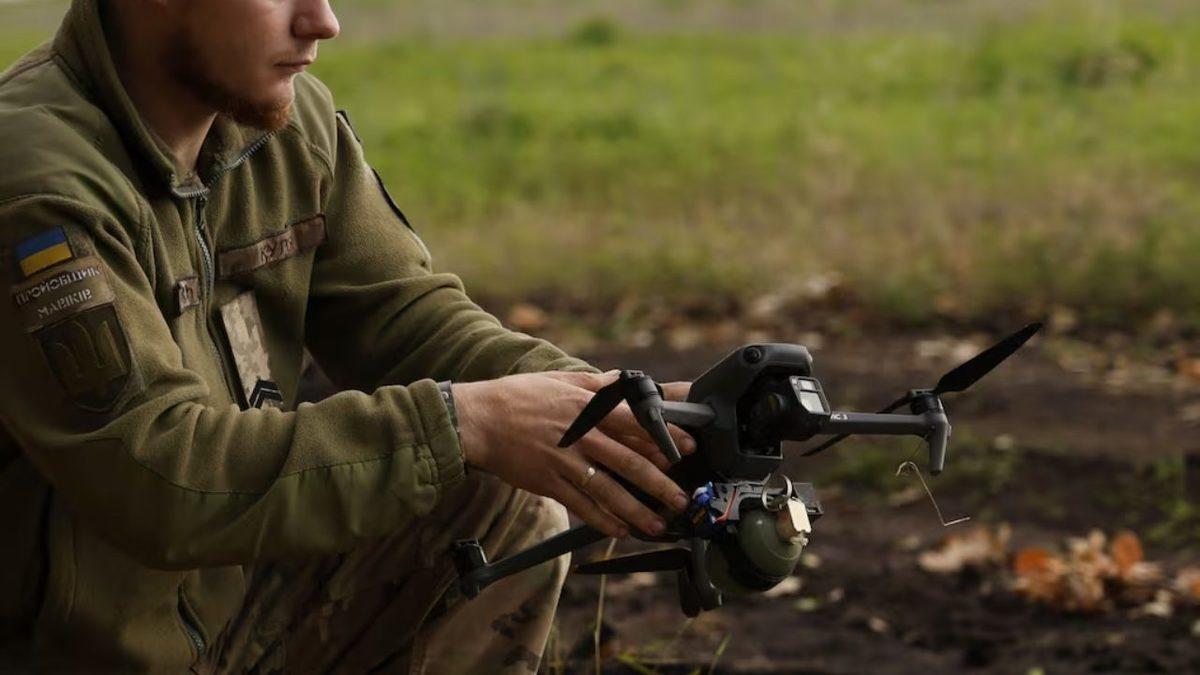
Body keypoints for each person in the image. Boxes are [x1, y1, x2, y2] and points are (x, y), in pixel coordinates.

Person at [0, 0, 696, 671]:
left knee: (505, 498)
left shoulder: (281, 125)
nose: (322, 21)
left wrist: (611, 414)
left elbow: (404, 317)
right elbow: (159, 476)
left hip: (226, 613)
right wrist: (466, 420)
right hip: (74, 651)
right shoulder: (35, 182)